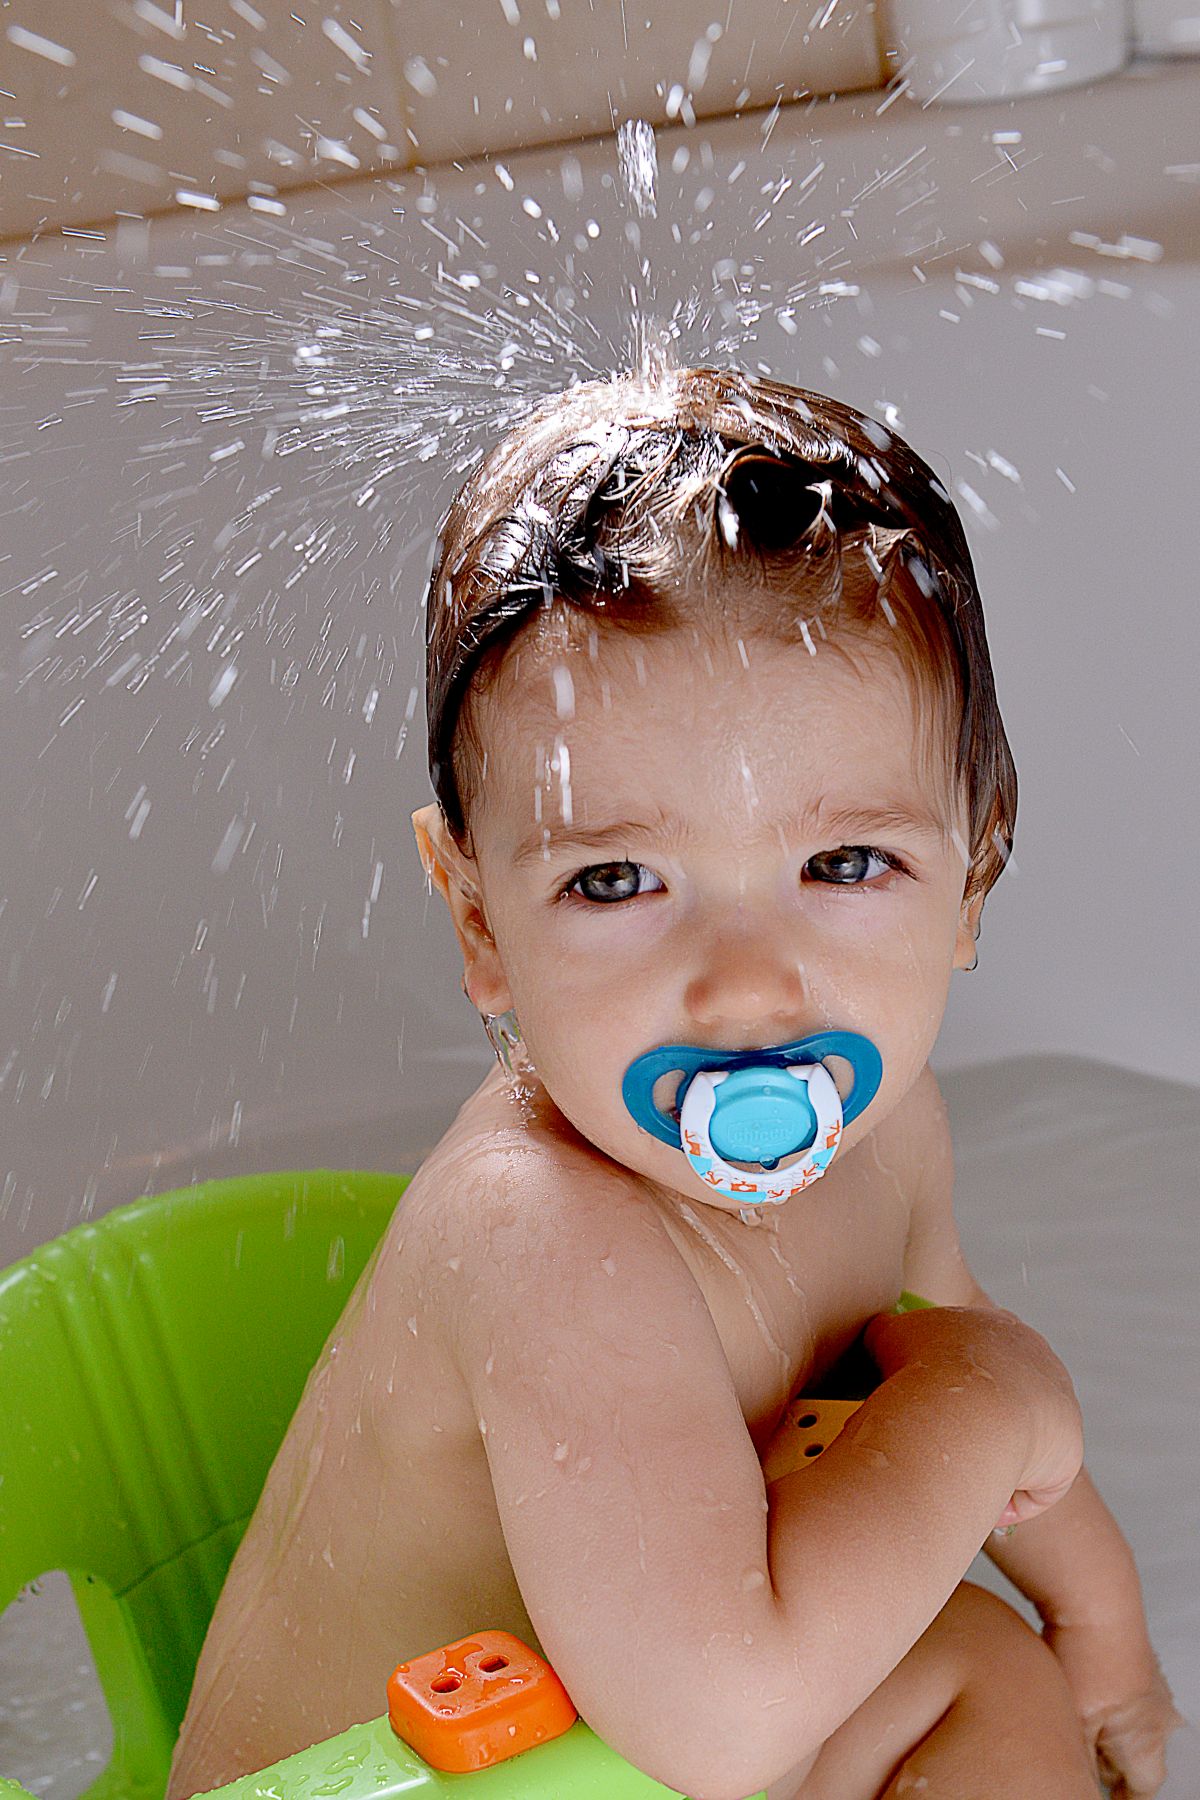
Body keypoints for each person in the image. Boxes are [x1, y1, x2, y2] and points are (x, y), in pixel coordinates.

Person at [167, 367, 1182, 1800]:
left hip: (612, 1739)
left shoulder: (885, 1138)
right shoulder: (548, 1237)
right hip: (403, 1785)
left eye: (843, 866)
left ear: (972, 878)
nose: (747, 984)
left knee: (988, 1668)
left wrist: (1104, 1626)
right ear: (481, 925)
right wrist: (983, 1411)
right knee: (937, 1654)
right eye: (618, 880)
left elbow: (948, 1347)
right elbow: (728, 1724)